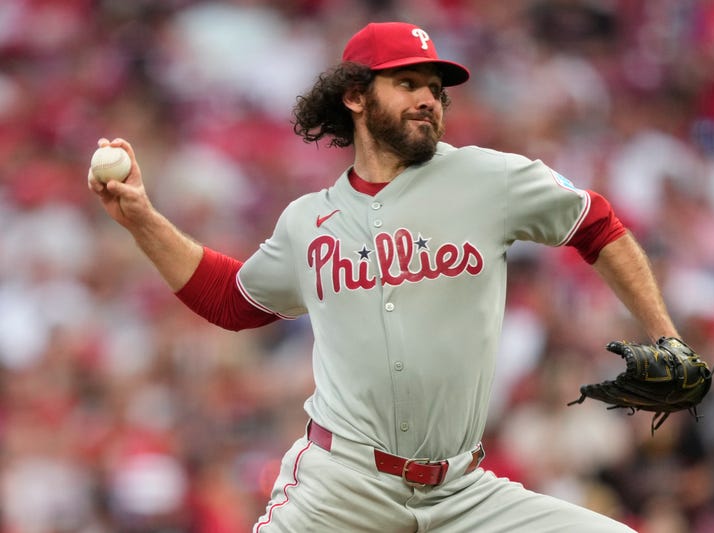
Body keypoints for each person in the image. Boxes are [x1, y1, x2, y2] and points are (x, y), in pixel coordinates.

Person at [87, 21, 678, 533]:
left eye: (436, 90)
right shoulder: (308, 222)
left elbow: (595, 223)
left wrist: (666, 338)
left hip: (464, 492)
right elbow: (232, 301)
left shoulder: (487, 179)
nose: (428, 99)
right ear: (355, 96)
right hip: (342, 486)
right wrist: (141, 218)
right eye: (407, 83)